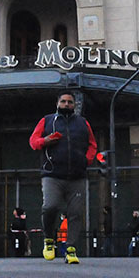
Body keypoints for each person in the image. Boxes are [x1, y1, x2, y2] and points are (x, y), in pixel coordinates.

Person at [29, 91, 98, 265]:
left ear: (74, 105)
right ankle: (49, 239)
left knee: (75, 213)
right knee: (50, 206)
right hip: (52, 174)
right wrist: (45, 141)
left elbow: (92, 144)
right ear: (57, 103)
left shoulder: (83, 123)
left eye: (70, 102)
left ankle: (71, 249)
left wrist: (86, 160)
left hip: (77, 175)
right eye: (63, 101)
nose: (67, 104)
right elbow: (33, 141)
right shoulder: (47, 120)